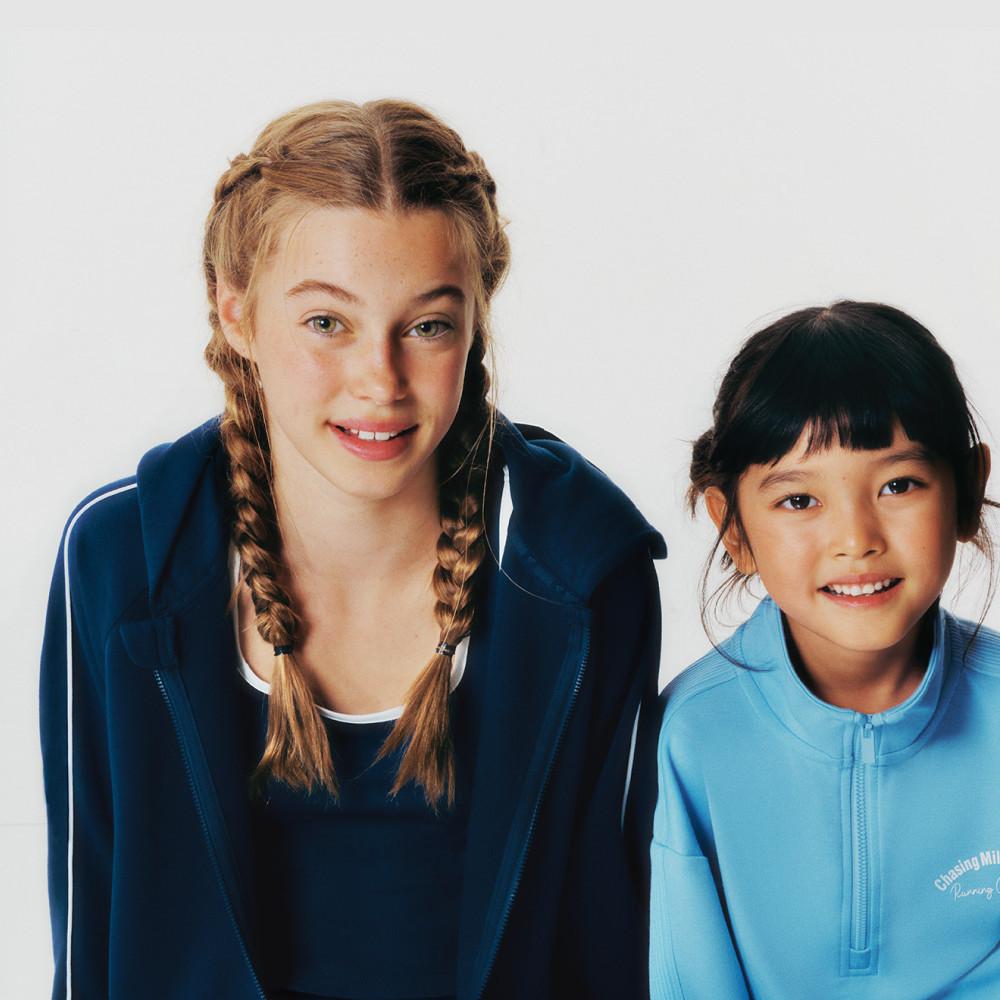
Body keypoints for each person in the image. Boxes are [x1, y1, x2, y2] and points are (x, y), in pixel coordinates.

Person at [40, 100, 665, 1000]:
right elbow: (90, 917)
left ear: (475, 325)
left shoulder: (580, 569)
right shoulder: (119, 560)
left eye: (428, 325)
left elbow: (613, 934)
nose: (381, 380)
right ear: (237, 314)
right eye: (327, 323)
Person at [649, 301, 1000, 999]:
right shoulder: (691, 735)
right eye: (799, 501)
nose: (856, 539)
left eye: (898, 485)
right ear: (734, 528)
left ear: (966, 492)